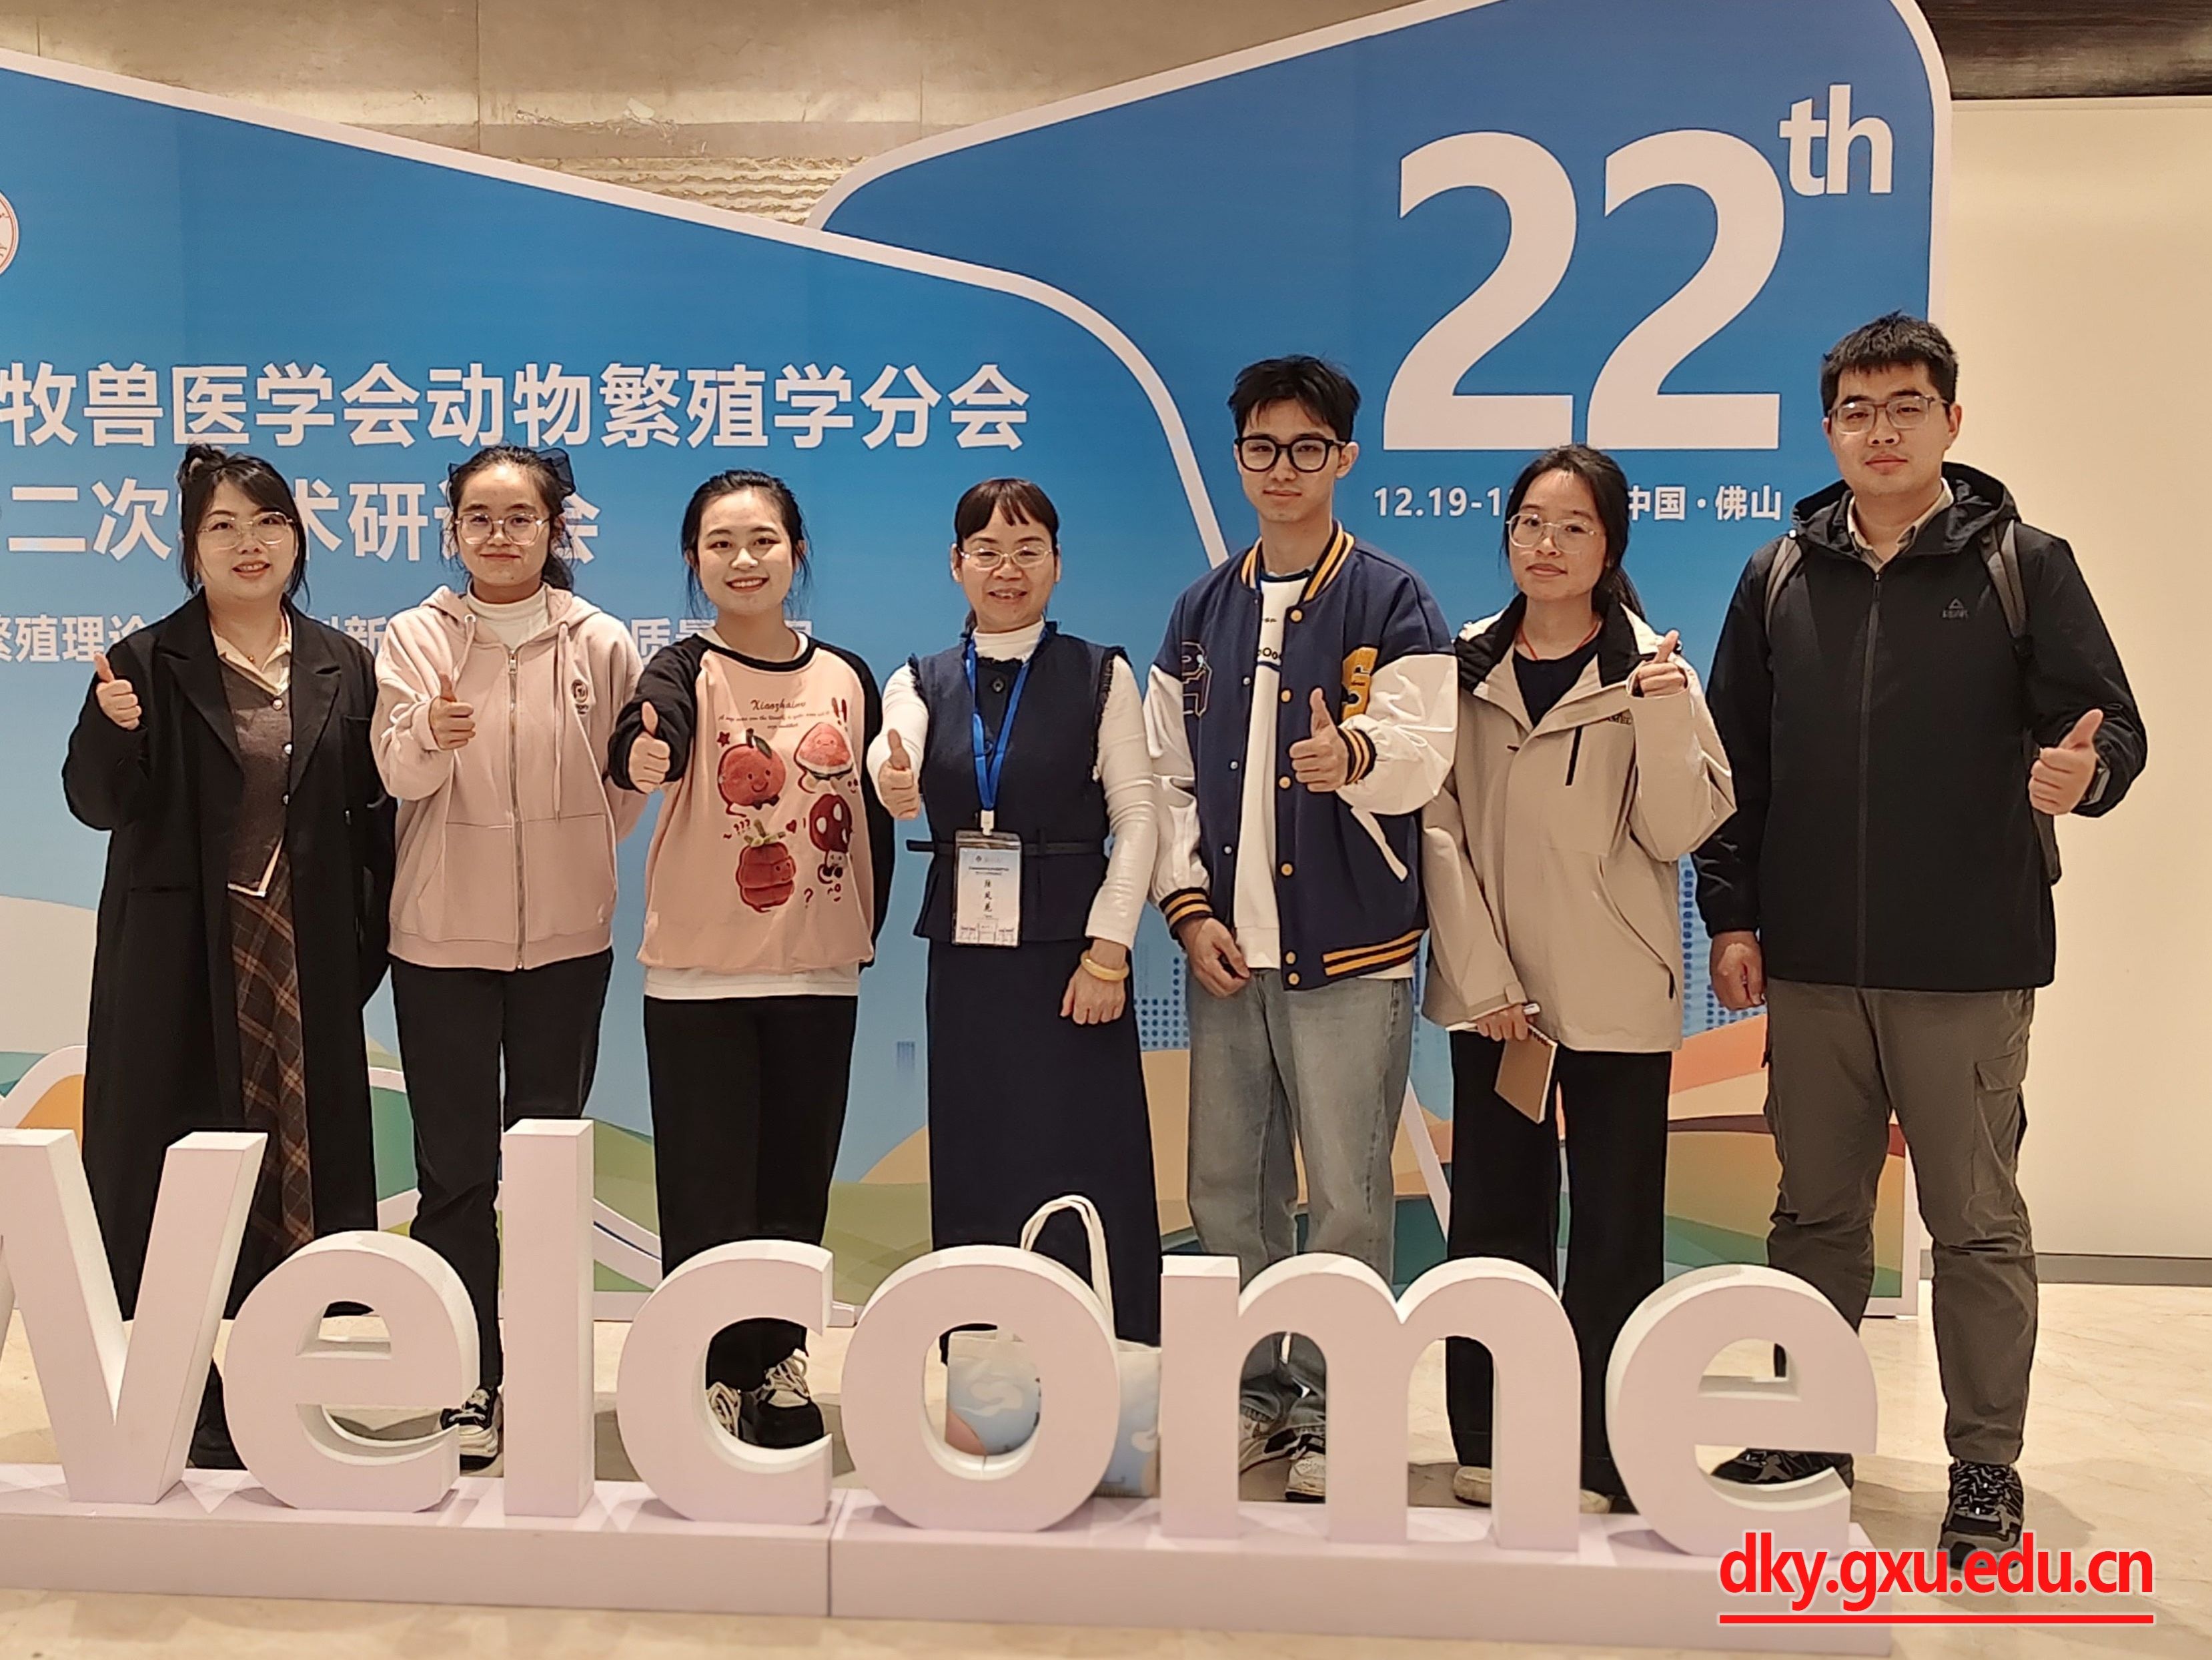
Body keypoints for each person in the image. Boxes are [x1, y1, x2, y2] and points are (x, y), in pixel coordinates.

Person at [1693, 314, 2147, 1566]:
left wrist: (2088, 774)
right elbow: (1733, 768)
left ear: (1952, 419)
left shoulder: (2023, 564)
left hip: (1968, 960)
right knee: (1813, 1217)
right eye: (1858, 410)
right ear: (1828, 428)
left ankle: (1985, 1466)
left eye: (1905, 407)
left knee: (1977, 1222)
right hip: (1813, 964)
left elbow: (2112, 726)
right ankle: (1809, 1435)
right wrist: (1733, 915)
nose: (1880, 431)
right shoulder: (1777, 575)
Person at [1145, 355, 1454, 1501]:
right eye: (1263, 448)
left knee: (1349, 1197)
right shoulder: (1202, 611)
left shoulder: (1391, 598)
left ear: (1345, 458)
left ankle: (1335, 1406)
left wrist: (1353, 757)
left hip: (1350, 955)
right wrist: (1188, 912)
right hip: (1228, 957)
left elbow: (1427, 751)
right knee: (1228, 1189)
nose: (1284, 469)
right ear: (1238, 459)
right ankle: (1254, 1398)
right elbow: (1166, 780)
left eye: (1308, 448)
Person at [62, 444, 394, 1468]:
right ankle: (187, 1390)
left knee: (300, 1166)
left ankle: (280, 1383)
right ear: (190, 546)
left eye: (269, 523)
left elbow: (371, 815)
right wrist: (112, 731)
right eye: (224, 527)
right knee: (178, 1166)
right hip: (179, 962)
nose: (249, 544)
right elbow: (94, 803)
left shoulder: (342, 662)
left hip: (303, 954)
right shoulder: (145, 662)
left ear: (297, 539)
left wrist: (365, 939)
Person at [1422, 444, 1734, 1514]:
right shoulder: (1461, 667)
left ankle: (1606, 1452)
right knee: (1494, 1228)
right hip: (1499, 1004)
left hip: (1615, 1001)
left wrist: (1659, 712)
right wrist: (1481, 977)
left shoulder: (1656, 671)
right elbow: (1437, 831)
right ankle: (1489, 1440)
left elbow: (1679, 830)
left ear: (1612, 546)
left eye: (1574, 527)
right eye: (1529, 524)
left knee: (1613, 1235)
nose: (1546, 546)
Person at [607, 469, 893, 1448]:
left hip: (817, 972)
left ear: (796, 554)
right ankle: (713, 1372)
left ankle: (778, 1363)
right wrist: (642, 756)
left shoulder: (848, 676)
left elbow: (876, 811)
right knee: (705, 1190)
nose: (743, 559)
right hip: (700, 979)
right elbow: (647, 730)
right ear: (694, 560)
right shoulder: (682, 669)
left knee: (792, 1188)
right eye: (720, 543)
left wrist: (858, 925)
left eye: (763, 540)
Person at [372, 444, 645, 1467]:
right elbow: (396, 775)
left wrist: (571, 859)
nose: (498, 535)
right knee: (453, 1174)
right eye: (478, 518)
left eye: (520, 517)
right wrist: (433, 738)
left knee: (544, 1167)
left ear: (554, 529)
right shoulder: (416, 636)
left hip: (568, 945)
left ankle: (539, 1376)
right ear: (452, 531)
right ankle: (465, 1383)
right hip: (441, 940)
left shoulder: (601, 640)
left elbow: (623, 787)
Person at [867, 478, 1161, 1340]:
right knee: (977, 1156)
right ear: (956, 564)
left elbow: (1138, 817)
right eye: (988, 552)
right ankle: (984, 1373)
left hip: (1077, 966)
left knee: (1087, 1158)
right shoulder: (919, 678)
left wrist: (1109, 952)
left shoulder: (1101, 674)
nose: (1008, 569)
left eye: (1029, 551)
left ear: (1058, 565)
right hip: (967, 965)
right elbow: (897, 746)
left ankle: (1110, 1365)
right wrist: (893, 778)